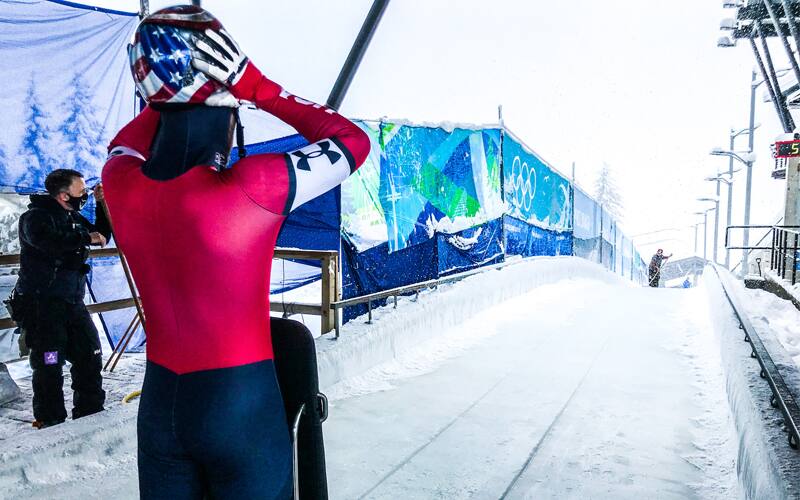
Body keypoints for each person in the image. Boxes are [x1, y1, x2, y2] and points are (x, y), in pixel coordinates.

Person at [101, 6, 369, 498]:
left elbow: (129, 142)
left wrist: (168, 84)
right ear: (228, 107)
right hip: (240, 404)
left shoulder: (119, 182)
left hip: (161, 406)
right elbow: (352, 141)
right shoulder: (254, 185)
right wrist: (254, 85)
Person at [15, 169, 110, 428]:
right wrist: (84, 238)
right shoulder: (34, 218)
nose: (85, 195)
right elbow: (48, 242)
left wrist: (101, 205)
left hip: (72, 301)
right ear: (64, 195)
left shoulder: (74, 217)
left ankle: (90, 413)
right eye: (82, 192)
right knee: (49, 362)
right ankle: (50, 419)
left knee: (89, 354)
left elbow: (102, 236)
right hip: (42, 304)